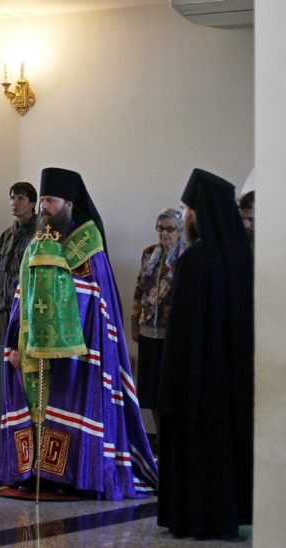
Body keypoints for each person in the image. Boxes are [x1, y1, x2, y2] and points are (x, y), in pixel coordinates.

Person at [0, 167, 157, 500]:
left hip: (77, 354)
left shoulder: (87, 244)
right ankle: (32, 473)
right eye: (42, 200)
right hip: (31, 348)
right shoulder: (36, 243)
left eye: (50, 201)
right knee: (34, 410)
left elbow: (93, 299)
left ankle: (70, 477)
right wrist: (13, 342)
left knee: (66, 410)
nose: (44, 207)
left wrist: (57, 327)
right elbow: (21, 294)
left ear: (69, 204)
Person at [157, 168, 253, 539]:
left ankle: (195, 518)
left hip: (195, 382)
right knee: (225, 450)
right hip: (230, 381)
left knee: (197, 451)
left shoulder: (196, 260)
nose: (185, 217)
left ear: (200, 211)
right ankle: (225, 516)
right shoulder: (241, 257)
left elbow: (184, 332)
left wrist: (173, 384)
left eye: (187, 209)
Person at [130, 208, 185, 453]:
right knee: (151, 390)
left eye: (169, 229)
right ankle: (161, 438)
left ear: (180, 230)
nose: (164, 233)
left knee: (169, 391)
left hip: (171, 334)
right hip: (148, 330)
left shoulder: (186, 256)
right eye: (160, 228)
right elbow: (139, 289)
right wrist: (134, 322)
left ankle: (172, 440)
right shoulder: (149, 254)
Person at [0, 182, 37, 338]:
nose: (14, 202)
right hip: (7, 310)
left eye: (20, 198)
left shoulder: (41, 234)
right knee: (10, 352)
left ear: (32, 203)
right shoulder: (6, 236)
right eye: (12, 198)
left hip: (30, 311)